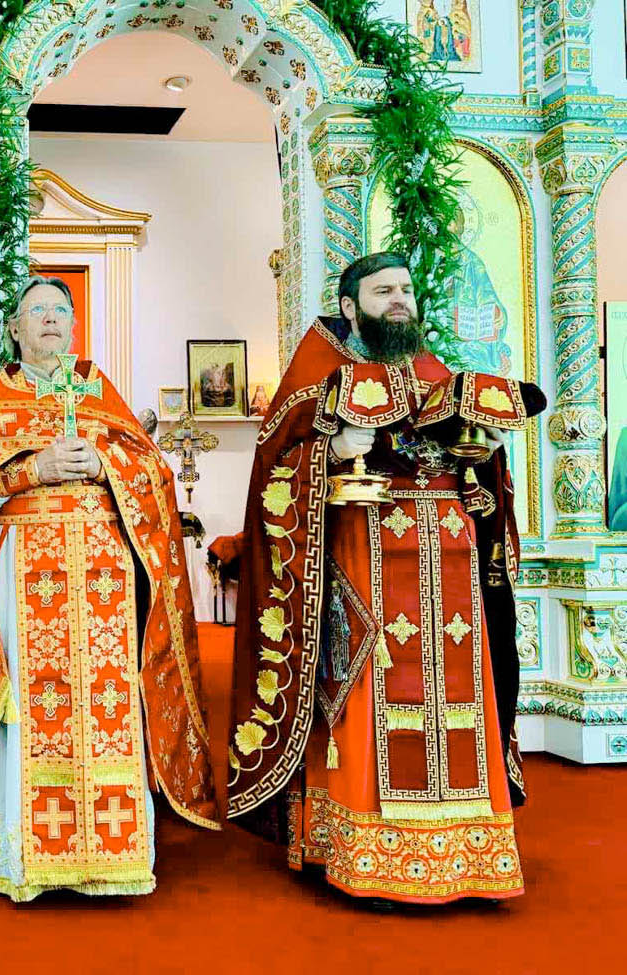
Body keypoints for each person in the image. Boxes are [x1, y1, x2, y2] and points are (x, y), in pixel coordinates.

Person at [225, 252, 528, 904]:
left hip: (448, 558)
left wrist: (483, 457)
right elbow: (275, 471)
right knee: (365, 688)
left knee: (457, 690)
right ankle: (362, 846)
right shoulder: (317, 371)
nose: (399, 300)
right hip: (363, 557)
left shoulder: (435, 371)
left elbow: (472, 467)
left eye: (406, 290)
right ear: (350, 305)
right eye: (383, 290)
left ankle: (465, 848)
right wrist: (331, 451)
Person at [0, 276, 219, 901]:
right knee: (24, 706)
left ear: (73, 326)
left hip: (104, 584)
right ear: (15, 329)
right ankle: (16, 856)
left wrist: (107, 465)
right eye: (36, 312)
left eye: (59, 311)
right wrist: (33, 470)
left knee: (107, 705)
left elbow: (153, 475)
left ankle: (112, 854)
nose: (49, 319)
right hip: (17, 578)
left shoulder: (102, 394)